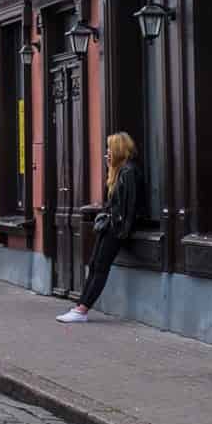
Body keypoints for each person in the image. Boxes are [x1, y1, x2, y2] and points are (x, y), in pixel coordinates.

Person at [58, 132, 144, 324]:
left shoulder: (129, 172)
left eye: (109, 149)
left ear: (118, 150)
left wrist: (123, 230)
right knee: (95, 264)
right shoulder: (120, 171)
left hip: (116, 228)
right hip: (111, 226)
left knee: (100, 267)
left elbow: (129, 205)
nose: (107, 154)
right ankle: (80, 306)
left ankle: (82, 309)